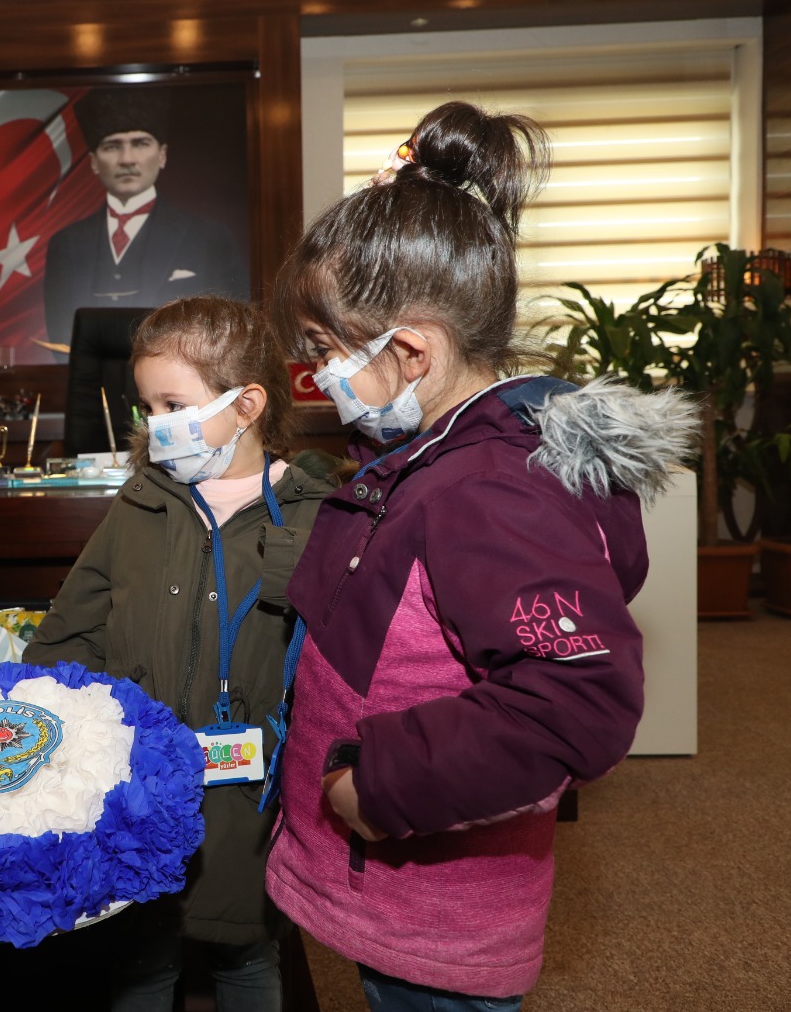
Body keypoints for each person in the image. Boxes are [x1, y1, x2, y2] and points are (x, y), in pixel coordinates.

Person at [261, 102, 698, 1010]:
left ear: (410, 349)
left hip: (430, 907)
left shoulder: (490, 494)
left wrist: (373, 788)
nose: (320, 377)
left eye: (327, 352)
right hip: (383, 886)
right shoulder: (431, 456)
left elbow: (573, 701)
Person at [23, 295, 334, 1011]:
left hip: (251, 790)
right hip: (134, 780)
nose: (156, 424)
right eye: (146, 406)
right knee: (139, 959)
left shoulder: (318, 514)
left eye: (173, 402)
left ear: (247, 402)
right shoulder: (140, 503)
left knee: (247, 955)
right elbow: (71, 629)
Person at [41, 87, 250, 347]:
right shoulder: (66, 244)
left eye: (140, 144)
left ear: (162, 155)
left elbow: (234, 329)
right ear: (94, 162)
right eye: (112, 146)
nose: (127, 159)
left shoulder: (210, 238)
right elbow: (61, 338)